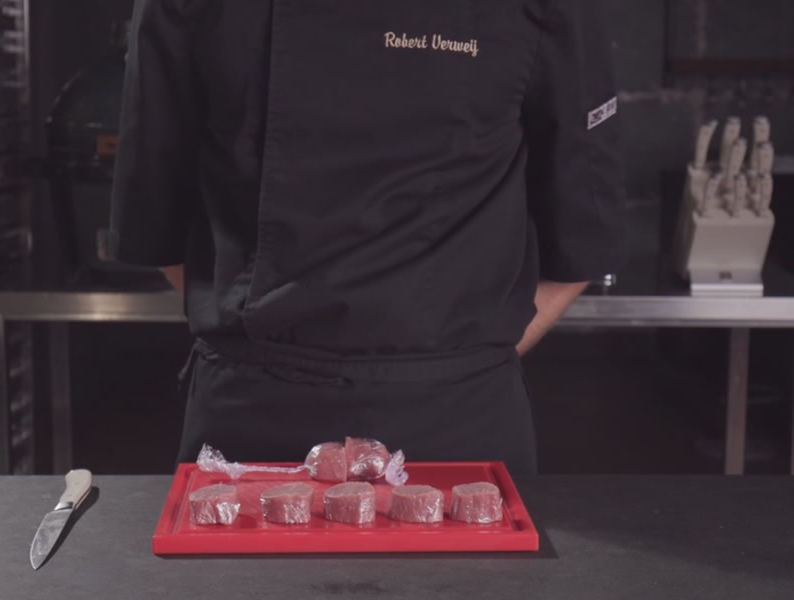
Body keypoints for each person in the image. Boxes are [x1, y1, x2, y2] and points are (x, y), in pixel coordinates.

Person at [109, 0, 627, 478]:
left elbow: (582, 236)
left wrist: (461, 363)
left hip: (459, 429)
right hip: (251, 429)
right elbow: (157, 221)